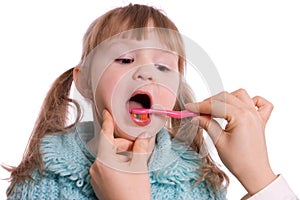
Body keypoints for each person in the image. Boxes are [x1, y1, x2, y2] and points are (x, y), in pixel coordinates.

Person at [4, 4, 298, 200]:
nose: (145, 72)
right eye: (125, 59)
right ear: (84, 81)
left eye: (163, 67)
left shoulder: (198, 182)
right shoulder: (42, 180)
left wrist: (261, 178)